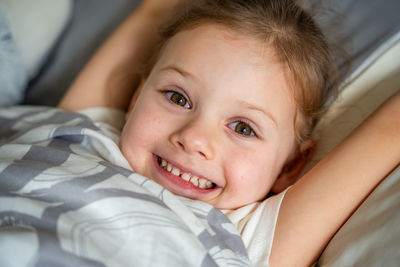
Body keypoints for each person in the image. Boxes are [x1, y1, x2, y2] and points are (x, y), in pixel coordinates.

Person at [58, 0, 400, 266]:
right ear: (136, 97)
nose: (193, 139)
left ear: (288, 168)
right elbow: (155, 11)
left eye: (243, 128)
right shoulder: (84, 129)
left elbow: (390, 131)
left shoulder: (248, 238)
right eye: (178, 97)